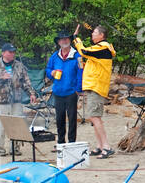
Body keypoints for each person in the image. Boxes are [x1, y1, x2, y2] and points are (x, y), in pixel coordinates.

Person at [0, 43, 38, 156]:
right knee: (1, 125)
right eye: (10, 52)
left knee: (17, 124)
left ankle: (15, 149)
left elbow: (26, 81)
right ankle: (0, 149)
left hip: (16, 100)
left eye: (13, 52)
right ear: (3, 53)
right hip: (2, 100)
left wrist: (31, 94)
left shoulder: (19, 65)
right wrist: (1, 79)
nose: (12, 54)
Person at [77, 25, 116, 158]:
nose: (92, 35)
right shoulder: (100, 48)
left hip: (97, 87)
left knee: (95, 117)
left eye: (94, 33)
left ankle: (106, 146)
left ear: (101, 35)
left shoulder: (103, 48)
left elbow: (84, 51)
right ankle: (100, 146)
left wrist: (76, 39)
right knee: (94, 117)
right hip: (93, 86)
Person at [46, 31, 83, 144]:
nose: (64, 41)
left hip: (71, 92)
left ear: (70, 40)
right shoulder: (54, 56)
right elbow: (47, 69)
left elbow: (81, 72)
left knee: (72, 119)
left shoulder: (77, 56)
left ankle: (72, 142)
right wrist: (51, 73)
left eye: (66, 39)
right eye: (62, 39)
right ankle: (61, 142)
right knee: (59, 119)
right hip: (58, 92)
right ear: (58, 42)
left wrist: (78, 90)